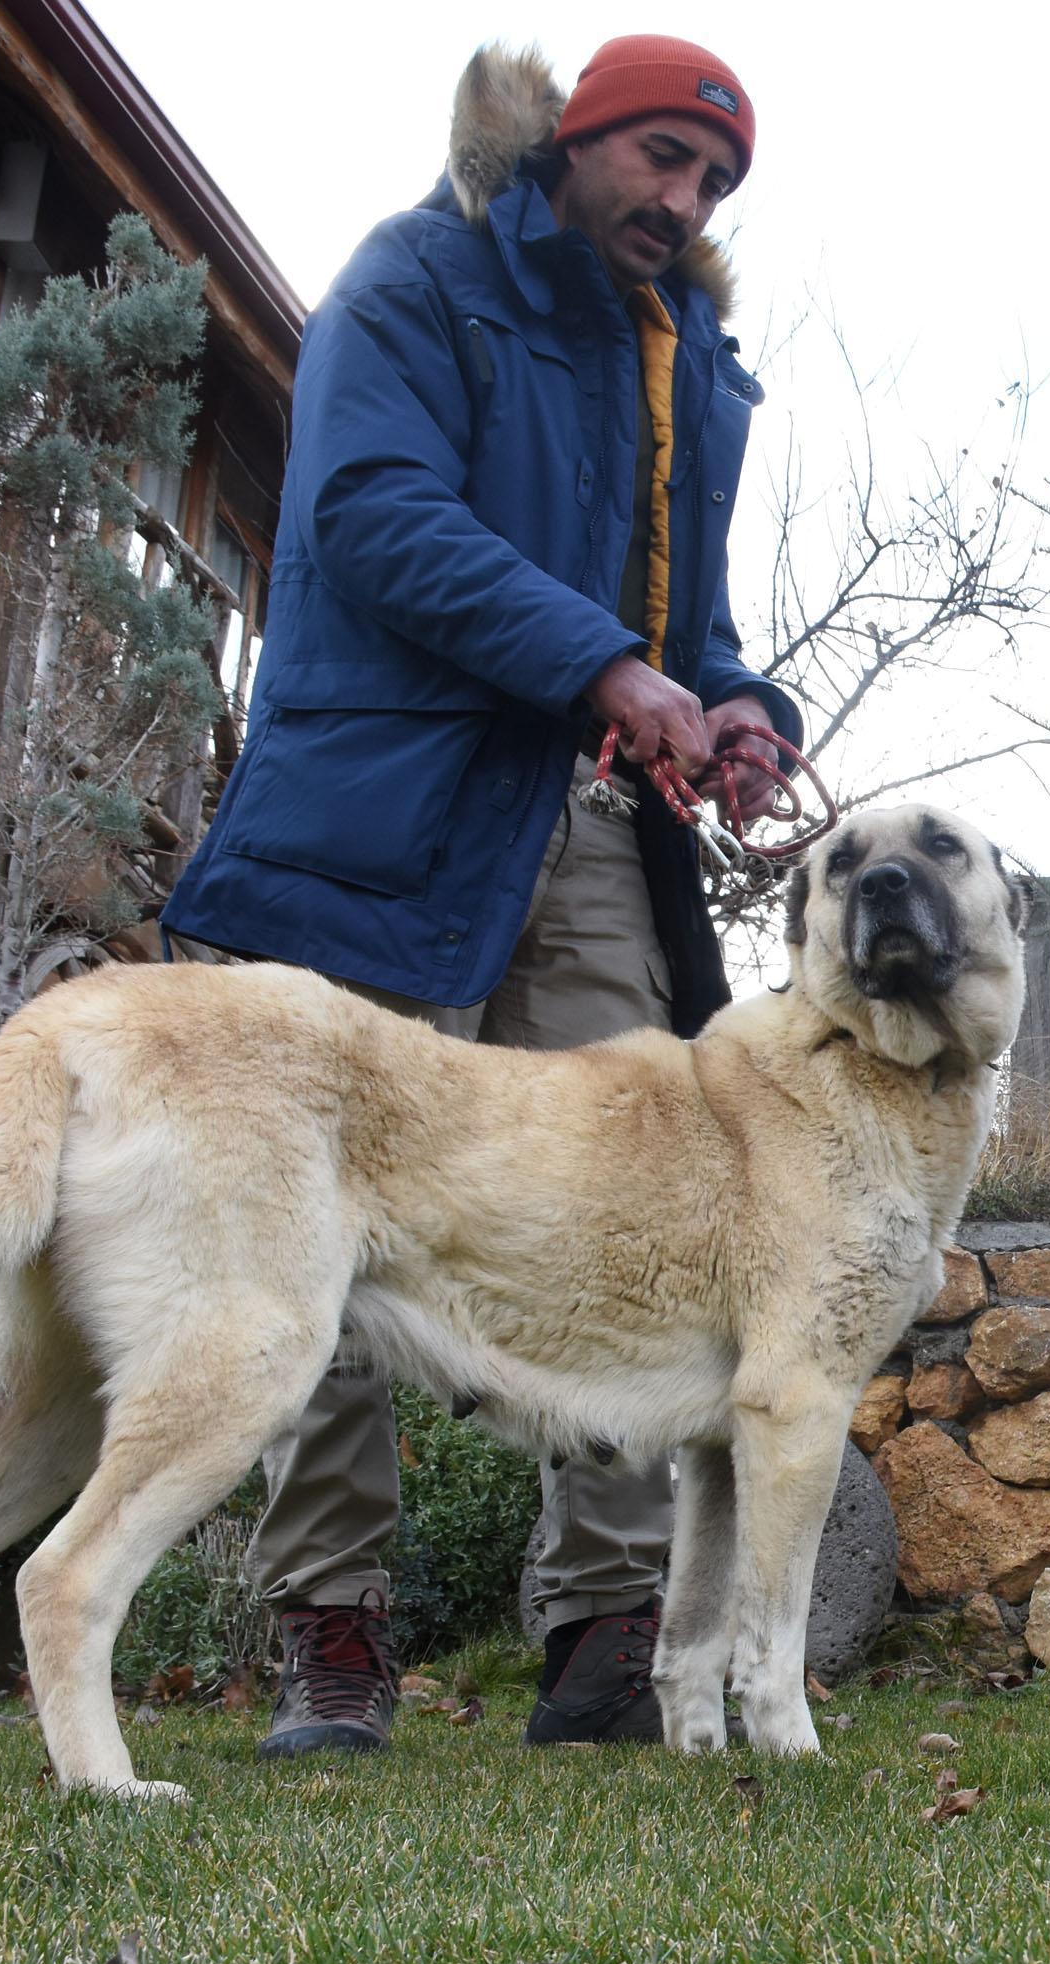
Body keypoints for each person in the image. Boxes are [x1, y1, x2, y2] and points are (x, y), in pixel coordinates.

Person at [159, 34, 799, 1757]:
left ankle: (603, 1634)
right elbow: (372, 514)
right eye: (663, 157)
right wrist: (605, 665)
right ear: (577, 138)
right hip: (381, 818)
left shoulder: (699, 364)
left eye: (715, 181)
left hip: (593, 837)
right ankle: (333, 1638)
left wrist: (738, 711)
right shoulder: (414, 276)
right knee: (322, 1223)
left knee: (621, 1220)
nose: (685, 199)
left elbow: (693, 629)